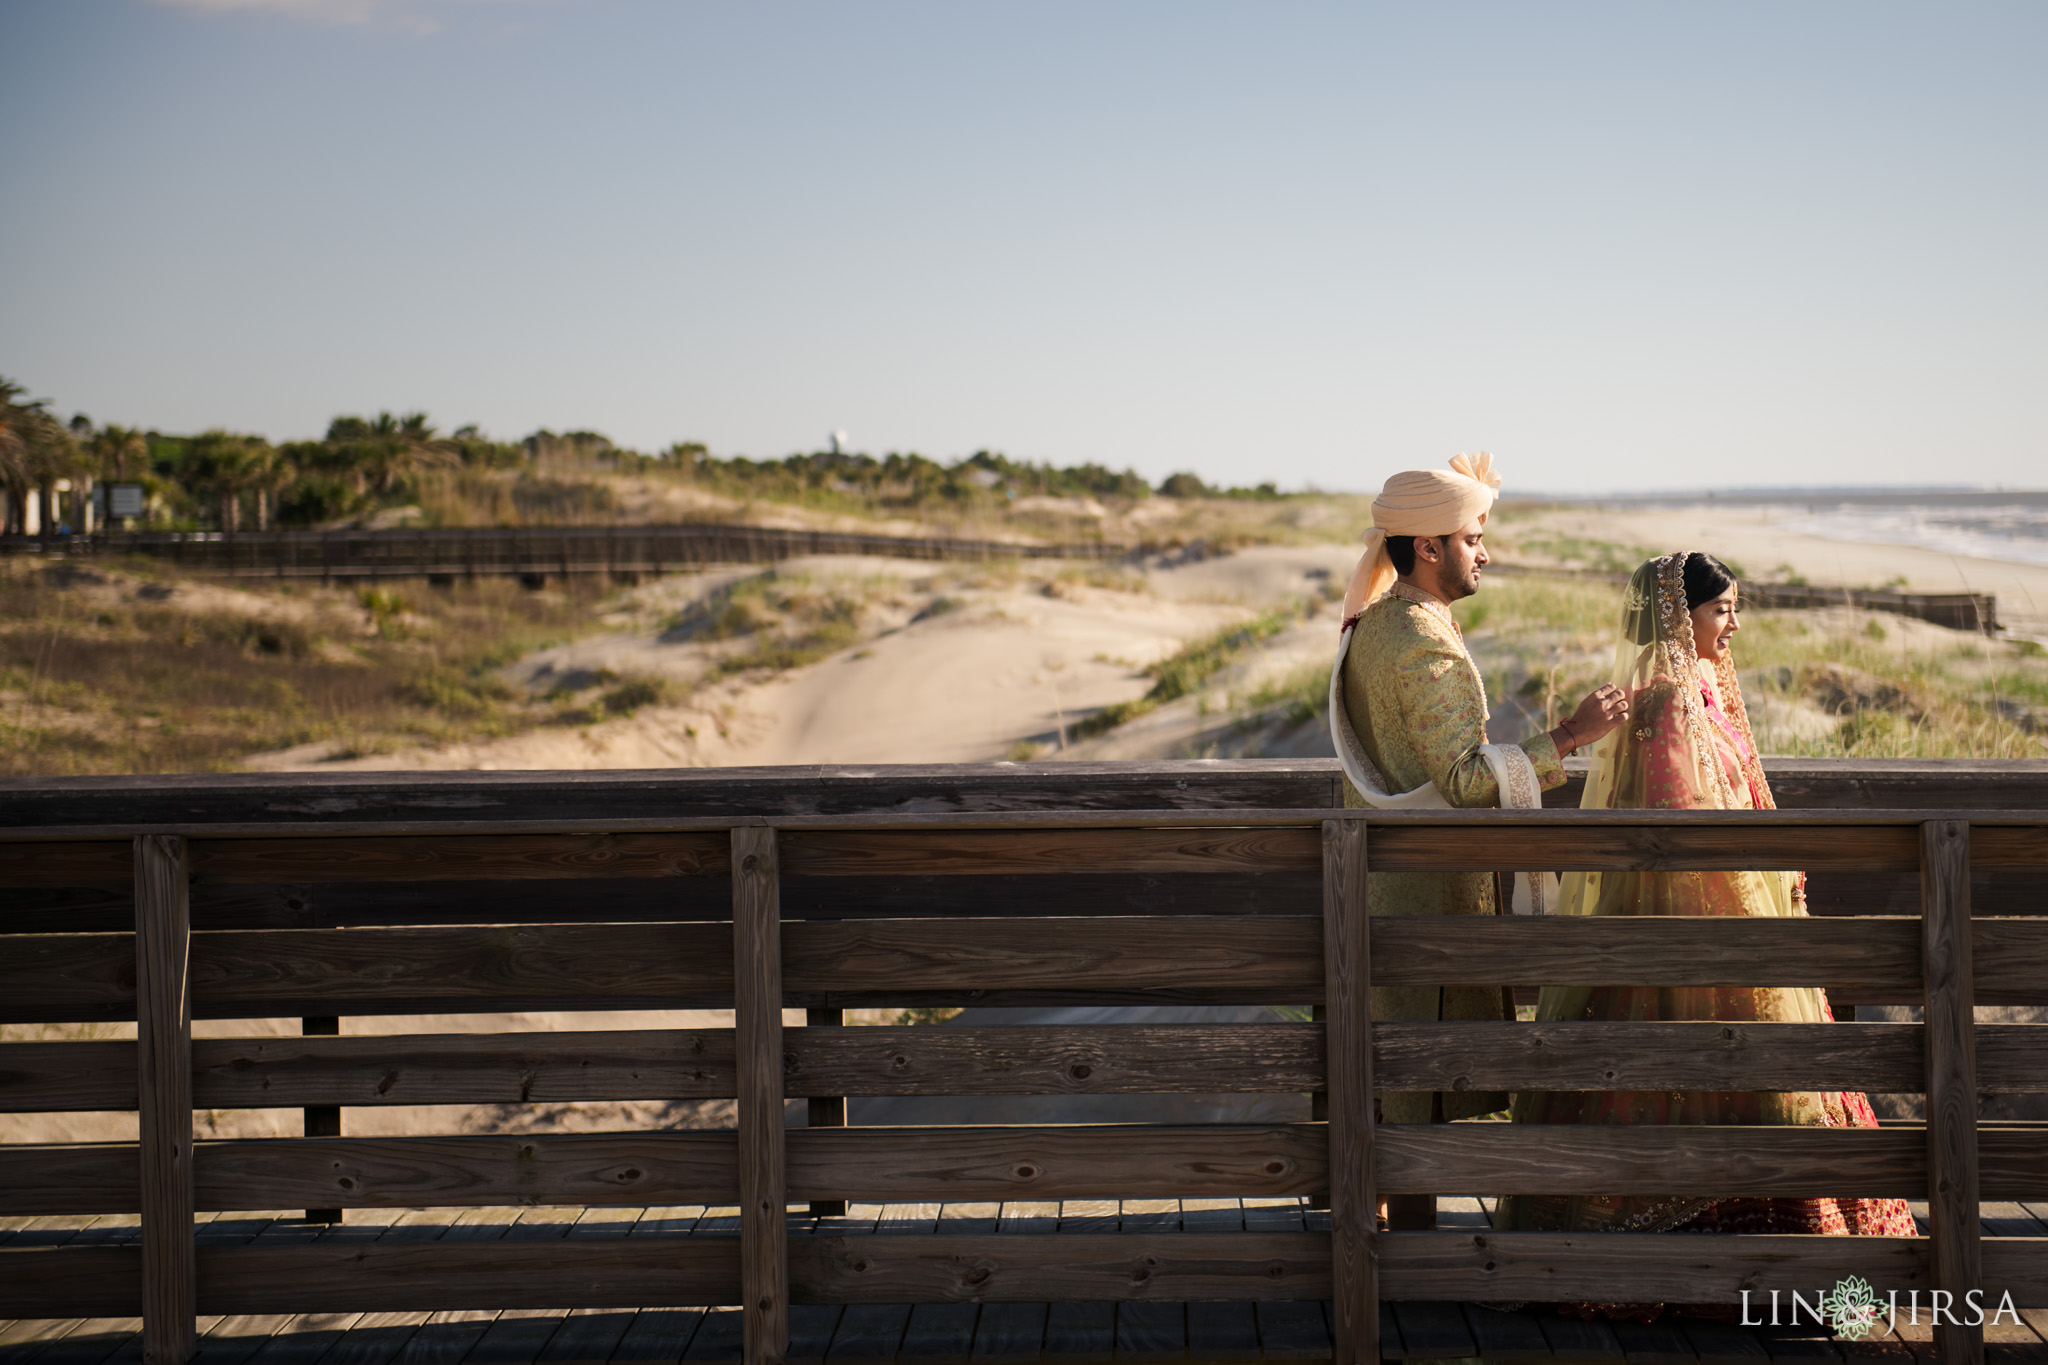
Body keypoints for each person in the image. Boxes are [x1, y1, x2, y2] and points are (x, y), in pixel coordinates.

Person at [1494, 551, 1915, 1315]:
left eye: (1733, 608)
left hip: (1740, 917)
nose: (1734, 623)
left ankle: (1784, 1274)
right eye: (1721, 609)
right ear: (1677, 617)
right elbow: (1679, 823)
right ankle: (1699, 1274)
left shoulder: (1712, 691)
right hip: (1697, 927)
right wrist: (1750, 913)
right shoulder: (1665, 704)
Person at [1327, 452, 1630, 1230]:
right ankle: (1405, 1273)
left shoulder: (1384, 622)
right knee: (1414, 1090)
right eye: (1472, 537)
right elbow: (1463, 778)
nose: (1484, 551)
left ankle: (1396, 1258)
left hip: (1388, 892)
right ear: (1427, 547)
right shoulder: (1417, 637)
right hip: (1422, 901)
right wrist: (1571, 734)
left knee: (1400, 1093)